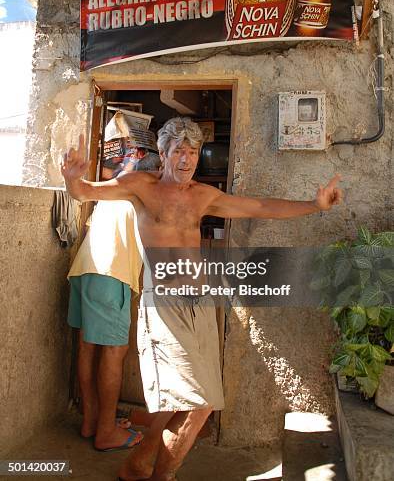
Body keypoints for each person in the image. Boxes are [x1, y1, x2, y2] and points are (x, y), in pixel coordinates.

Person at [61, 117, 343, 480]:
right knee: (197, 402)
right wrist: (73, 179)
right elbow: (87, 193)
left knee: (192, 401)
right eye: (179, 151)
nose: (187, 159)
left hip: (200, 305)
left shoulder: (202, 195)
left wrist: (314, 205)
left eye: (193, 152)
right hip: (163, 304)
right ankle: (161, 473)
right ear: (163, 154)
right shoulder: (139, 186)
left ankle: (139, 464)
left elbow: (257, 207)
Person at [67, 151, 160, 452]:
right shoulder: (146, 195)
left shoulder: (113, 193)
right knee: (114, 351)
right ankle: (106, 432)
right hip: (111, 276)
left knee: (86, 346)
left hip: (83, 271)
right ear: (155, 175)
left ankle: (92, 421)